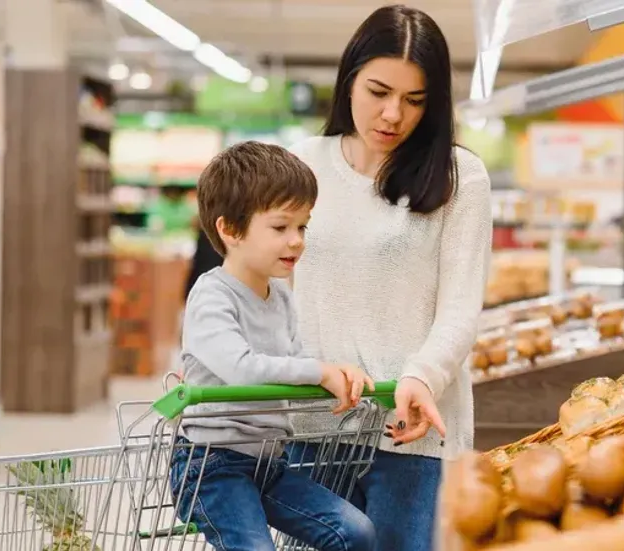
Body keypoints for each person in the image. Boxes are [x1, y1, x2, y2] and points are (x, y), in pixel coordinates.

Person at [286, 5, 493, 550]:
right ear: (349, 78)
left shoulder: (459, 176)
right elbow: (269, 288)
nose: (393, 114)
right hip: (313, 426)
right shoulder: (300, 164)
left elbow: (461, 305)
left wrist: (423, 376)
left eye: (415, 100)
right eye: (379, 91)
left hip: (411, 434)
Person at [170, 141, 377, 551]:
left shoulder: (280, 296)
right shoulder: (212, 296)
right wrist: (319, 372)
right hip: (211, 465)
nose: (297, 240)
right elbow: (242, 368)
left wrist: (338, 377)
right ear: (230, 230)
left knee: (356, 533)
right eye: (281, 228)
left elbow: (295, 359)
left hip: (268, 462)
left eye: (303, 226)